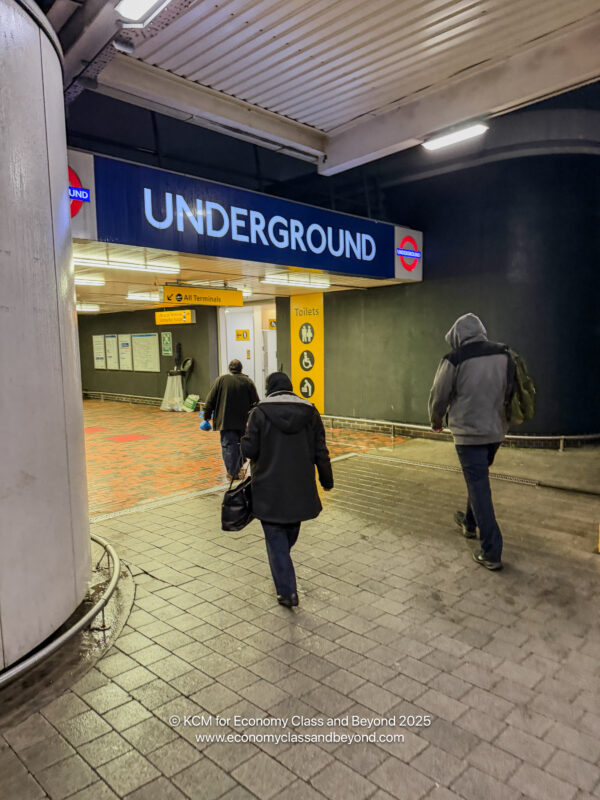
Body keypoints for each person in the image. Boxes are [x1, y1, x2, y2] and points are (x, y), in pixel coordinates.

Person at [241, 372, 333, 607]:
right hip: (299, 490)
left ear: (269, 389)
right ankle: (285, 581)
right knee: (287, 534)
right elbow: (320, 450)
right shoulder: (311, 413)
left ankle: (287, 591)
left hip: (267, 490)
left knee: (276, 541)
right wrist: (326, 479)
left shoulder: (259, 413)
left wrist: (243, 440)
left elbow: (249, 450)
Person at [428, 313, 510, 571]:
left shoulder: (455, 359)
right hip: (496, 431)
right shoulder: (504, 353)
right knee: (478, 479)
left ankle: (491, 551)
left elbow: (438, 395)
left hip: (468, 434)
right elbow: (510, 389)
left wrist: (436, 420)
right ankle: (470, 523)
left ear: (457, 336)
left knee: (478, 485)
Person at [203, 359, 259, 479]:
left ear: (229, 368)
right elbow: (255, 402)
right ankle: (238, 467)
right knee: (241, 444)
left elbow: (210, 400)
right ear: (241, 368)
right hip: (243, 421)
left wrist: (206, 417)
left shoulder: (221, 380)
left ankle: (233, 473)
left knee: (229, 446)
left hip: (225, 420)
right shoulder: (248, 381)